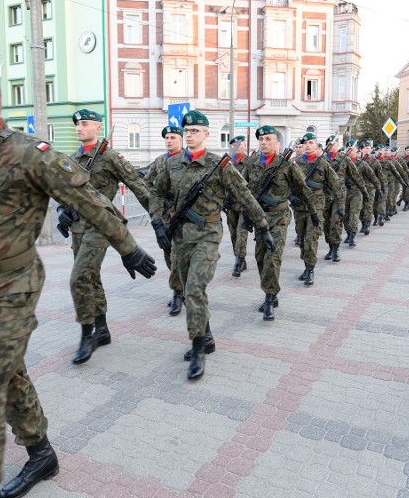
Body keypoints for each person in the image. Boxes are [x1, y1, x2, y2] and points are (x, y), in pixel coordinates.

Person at [0, 64, 156, 498]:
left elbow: (91, 200)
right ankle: (41, 453)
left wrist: (129, 247)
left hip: (16, 284)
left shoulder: (30, 152)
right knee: (8, 373)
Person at [148, 110, 273, 380]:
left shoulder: (220, 165)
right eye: (187, 131)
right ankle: (207, 337)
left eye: (195, 131)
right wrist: (157, 222)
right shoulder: (172, 164)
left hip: (207, 235)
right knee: (189, 288)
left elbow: (245, 195)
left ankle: (198, 350)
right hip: (180, 236)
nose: (190, 135)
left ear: (206, 134)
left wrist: (262, 227)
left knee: (193, 290)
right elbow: (156, 192)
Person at [57, 108, 152, 366]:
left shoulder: (111, 157)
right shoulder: (72, 158)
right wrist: (61, 212)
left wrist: (158, 219)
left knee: (79, 277)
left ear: (98, 128)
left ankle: (86, 334)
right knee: (90, 276)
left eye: (85, 124)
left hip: (101, 227)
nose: (79, 128)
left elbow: (138, 186)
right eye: (77, 124)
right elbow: (64, 192)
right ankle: (102, 329)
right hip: (78, 227)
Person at [244, 125, 316, 319]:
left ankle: (269, 298)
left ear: (276, 143)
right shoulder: (251, 164)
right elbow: (243, 192)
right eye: (261, 140)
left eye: (268, 139)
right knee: (260, 258)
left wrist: (314, 211)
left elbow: (302, 187)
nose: (264, 143)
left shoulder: (286, 164)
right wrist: (244, 215)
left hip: (279, 218)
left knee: (272, 258)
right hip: (260, 219)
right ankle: (271, 291)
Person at [144, 124, 185, 315]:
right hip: (166, 217)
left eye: (173, 138)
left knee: (180, 256)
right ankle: (181, 287)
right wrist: (156, 207)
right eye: (167, 138)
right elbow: (148, 184)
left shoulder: (188, 160)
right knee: (169, 254)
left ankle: (179, 292)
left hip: (186, 218)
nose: (169, 141)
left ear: (181, 139)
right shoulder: (160, 161)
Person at [293, 133, 343, 285]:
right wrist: (290, 196)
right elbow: (286, 184)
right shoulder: (294, 163)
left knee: (311, 237)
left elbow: (336, 185)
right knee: (302, 239)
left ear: (316, 145)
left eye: (310, 143)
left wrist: (340, 205)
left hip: (317, 205)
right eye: (305, 143)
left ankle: (310, 269)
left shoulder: (323, 163)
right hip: (300, 206)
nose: (307, 145)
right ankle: (306, 265)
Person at [225, 135, 252, 277]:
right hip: (230, 205)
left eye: (239, 144)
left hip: (244, 206)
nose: (236, 147)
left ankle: (239, 260)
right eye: (233, 145)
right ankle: (240, 257)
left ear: (244, 146)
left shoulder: (250, 162)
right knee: (233, 233)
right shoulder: (227, 163)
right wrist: (224, 199)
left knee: (241, 233)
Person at [322, 135, 347, 261]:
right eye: (331, 143)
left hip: (339, 196)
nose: (333, 145)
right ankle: (330, 247)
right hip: (325, 196)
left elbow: (355, 175)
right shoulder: (321, 160)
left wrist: (363, 191)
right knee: (326, 224)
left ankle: (336, 249)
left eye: (335, 143)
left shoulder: (344, 159)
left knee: (336, 222)